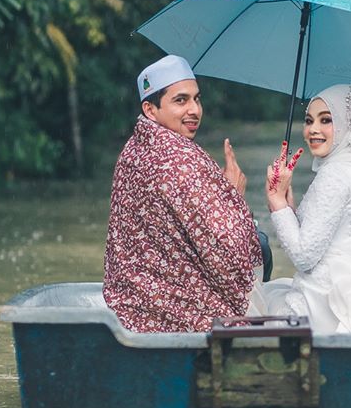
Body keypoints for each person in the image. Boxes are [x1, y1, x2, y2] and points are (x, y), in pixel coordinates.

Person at [103, 55, 262, 332]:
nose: (194, 110)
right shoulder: (178, 160)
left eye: (197, 99)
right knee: (263, 244)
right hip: (178, 312)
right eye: (181, 100)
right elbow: (229, 256)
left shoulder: (132, 150)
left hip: (130, 305)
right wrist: (234, 199)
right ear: (150, 109)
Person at [252, 84, 351, 334]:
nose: (313, 129)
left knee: (252, 298)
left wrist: (277, 203)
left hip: (323, 310)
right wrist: (287, 203)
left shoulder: (336, 175)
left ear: (349, 127)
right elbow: (324, 236)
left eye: (326, 120)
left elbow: (304, 255)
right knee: (273, 289)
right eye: (309, 120)